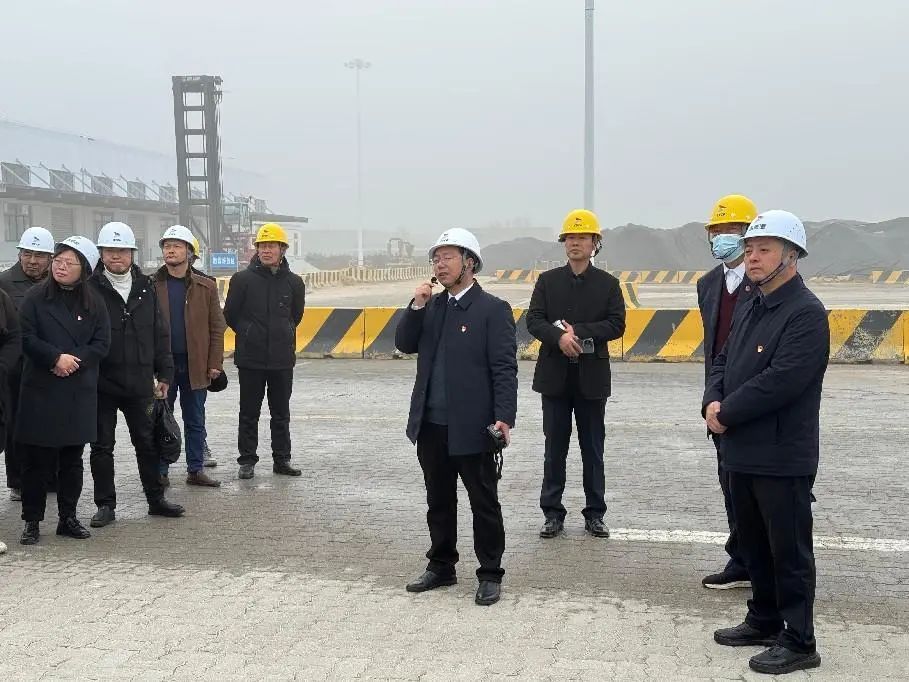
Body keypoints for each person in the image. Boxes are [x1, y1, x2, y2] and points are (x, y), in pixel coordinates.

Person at [704, 210, 829, 675]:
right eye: (750, 249)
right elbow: (722, 359)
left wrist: (726, 411)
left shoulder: (806, 313)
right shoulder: (752, 303)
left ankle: (799, 639)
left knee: (788, 552)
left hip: (781, 454)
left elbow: (782, 380)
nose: (753, 257)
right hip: (740, 449)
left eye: (765, 250)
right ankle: (763, 619)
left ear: (791, 256)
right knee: (754, 545)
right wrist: (710, 400)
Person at [395, 228, 517, 607]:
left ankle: (490, 573)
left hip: (474, 426)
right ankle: (442, 565)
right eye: (436, 258)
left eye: (448, 257)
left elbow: (504, 368)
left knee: (483, 502)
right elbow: (404, 343)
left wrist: (504, 417)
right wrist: (416, 305)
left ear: (470, 262)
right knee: (439, 500)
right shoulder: (432, 307)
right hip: (431, 425)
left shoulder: (493, 310)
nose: (440, 264)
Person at [526, 209, 626, 539]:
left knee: (592, 450)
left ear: (595, 243)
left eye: (582, 237)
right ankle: (552, 513)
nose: (575, 243)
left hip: (591, 380)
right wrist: (559, 338)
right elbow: (534, 320)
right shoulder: (548, 281)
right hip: (554, 379)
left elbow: (617, 324)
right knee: (554, 450)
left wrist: (579, 333)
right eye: (570, 237)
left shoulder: (608, 284)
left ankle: (595, 513)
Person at [86, 222, 185, 529]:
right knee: (102, 447)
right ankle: (105, 505)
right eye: (110, 250)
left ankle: (156, 500)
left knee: (147, 443)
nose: (116, 256)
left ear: (132, 253)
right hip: (102, 382)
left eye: (122, 250)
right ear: (101, 253)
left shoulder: (145, 287)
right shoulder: (89, 289)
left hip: (140, 381)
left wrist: (165, 373)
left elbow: (160, 333)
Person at [17, 236, 110, 545]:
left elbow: (102, 343)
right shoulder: (35, 297)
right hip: (41, 388)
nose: (60, 266)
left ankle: (67, 518)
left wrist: (73, 361)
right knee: (36, 461)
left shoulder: (95, 302)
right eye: (58, 261)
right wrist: (55, 358)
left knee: (72, 460)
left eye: (69, 262)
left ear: (84, 269)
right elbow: (25, 337)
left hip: (77, 389)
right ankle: (32, 521)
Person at [696, 194, 758, 590]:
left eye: (731, 229)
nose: (722, 237)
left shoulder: (766, 282)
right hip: (719, 403)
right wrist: (710, 400)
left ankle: (764, 563)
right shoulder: (707, 285)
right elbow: (714, 349)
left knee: (758, 491)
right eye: (716, 231)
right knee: (730, 485)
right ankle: (741, 559)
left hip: (755, 403)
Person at [223, 223, 305, 480]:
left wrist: (282, 332)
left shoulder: (294, 282)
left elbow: (296, 316)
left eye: (271, 246)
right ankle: (247, 460)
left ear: (282, 250)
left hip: (282, 359)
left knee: (281, 414)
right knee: (249, 413)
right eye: (262, 246)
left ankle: (282, 460)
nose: (266, 250)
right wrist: (249, 332)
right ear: (256, 249)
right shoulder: (241, 280)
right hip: (251, 359)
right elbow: (231, 314)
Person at [154, 225, 226, 486]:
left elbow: (217, 327)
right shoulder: (150, 285)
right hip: (163, 366)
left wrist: (215, 363)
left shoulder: (206, 286)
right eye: (167, 246)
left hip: (195, 364)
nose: (170, 250)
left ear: (190, 252)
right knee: (161, 418)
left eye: (177, 246)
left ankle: (195, 469)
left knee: (195, 418)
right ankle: (160, 471)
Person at [0, 226, 55, 501]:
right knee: (15, 426)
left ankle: (50, 477)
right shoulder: (4, 283)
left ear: (50, 258)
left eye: (40, 255)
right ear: (19, 254)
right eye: (27, 254)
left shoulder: (58, 282)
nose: (32, 261)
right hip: (15, 369)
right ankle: (18, 481)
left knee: (50, 423)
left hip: (50, 367)